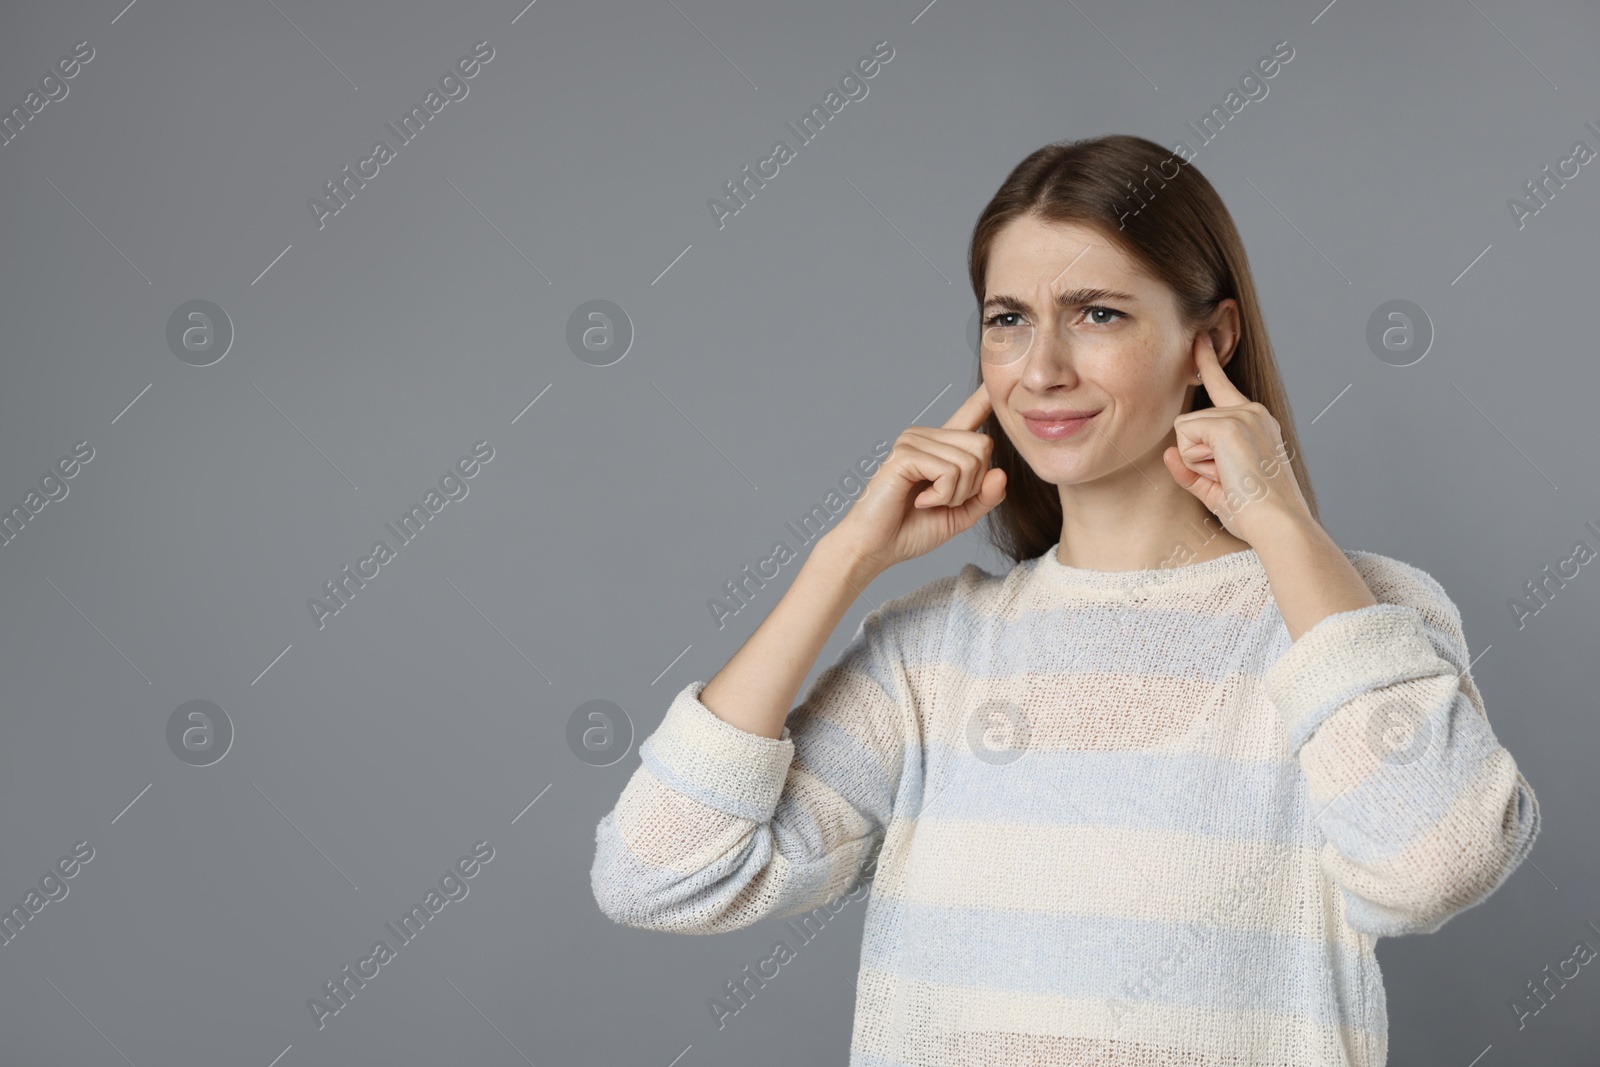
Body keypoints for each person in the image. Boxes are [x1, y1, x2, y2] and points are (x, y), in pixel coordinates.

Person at [589, 133, 1540, 1066]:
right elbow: (659, 874)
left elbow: (1435, 863)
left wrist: (1281, 525)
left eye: (1096, 314)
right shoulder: (933, 652)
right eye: (1007, 319)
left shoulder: (1346, 616)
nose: (1040, 369)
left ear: (1210, 340)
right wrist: (842, 559)